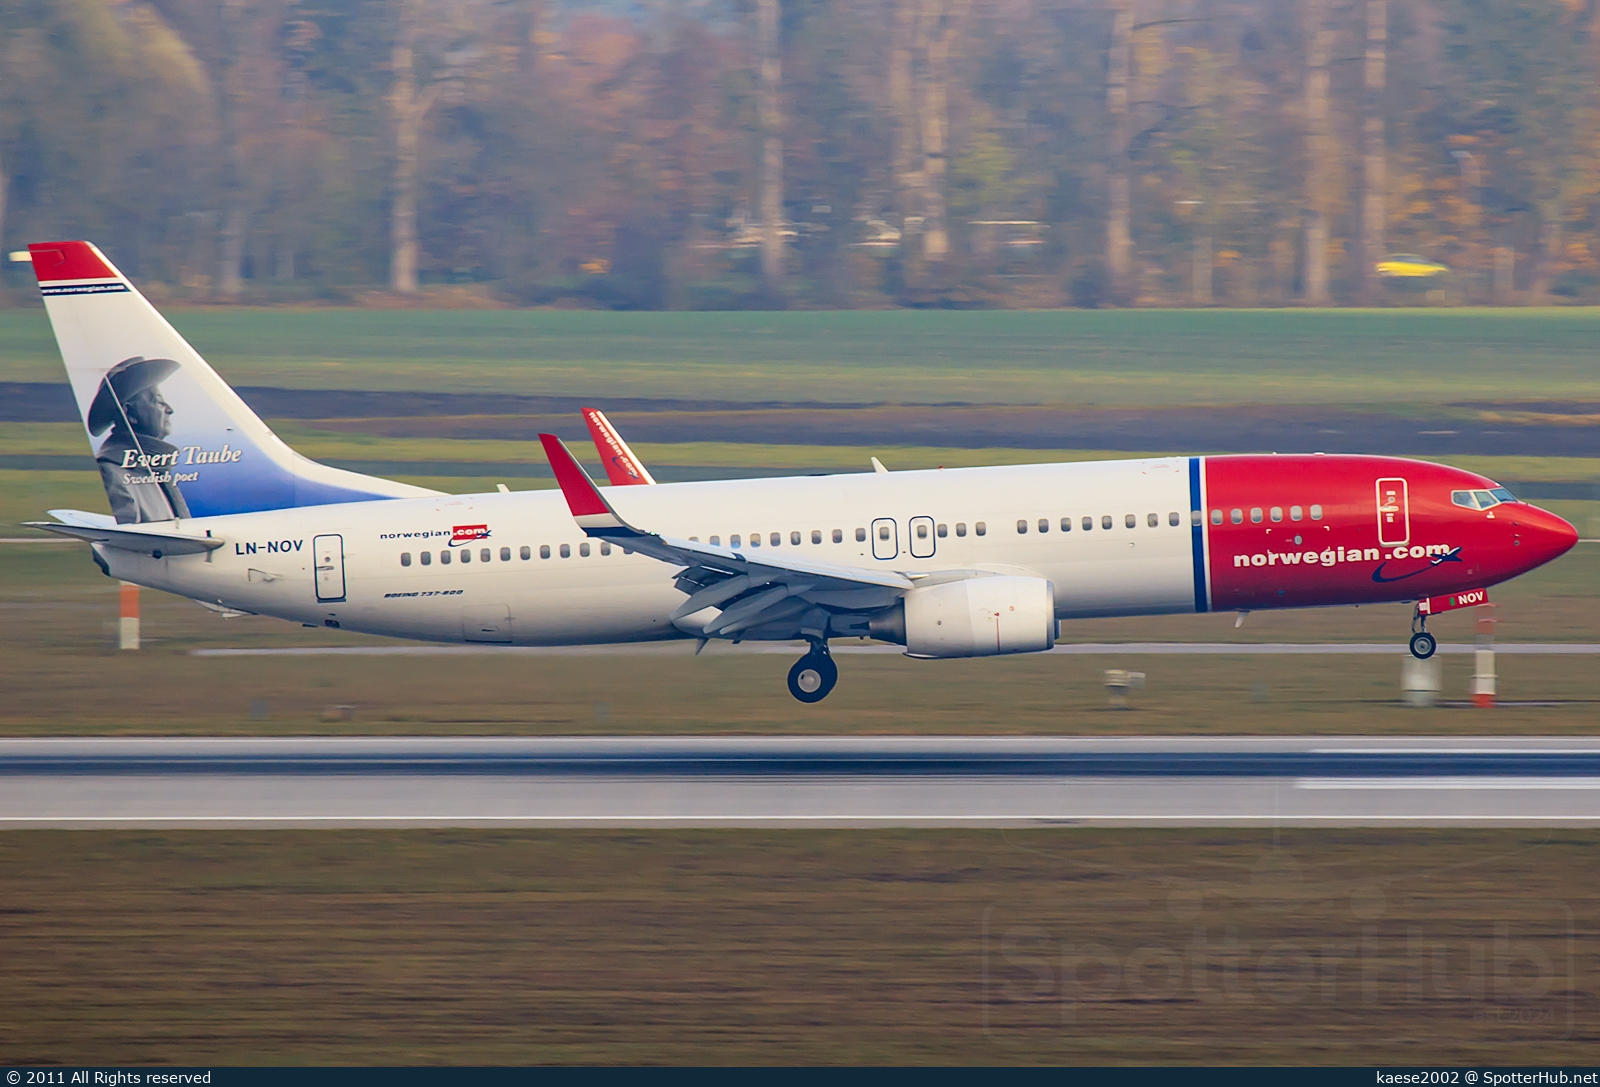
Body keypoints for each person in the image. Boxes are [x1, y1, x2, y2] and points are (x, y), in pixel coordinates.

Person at [87, 356, 192, 523]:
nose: (169, 410)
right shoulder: (113, 474)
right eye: (158, 402)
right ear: (129, 413)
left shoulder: (150, 469)